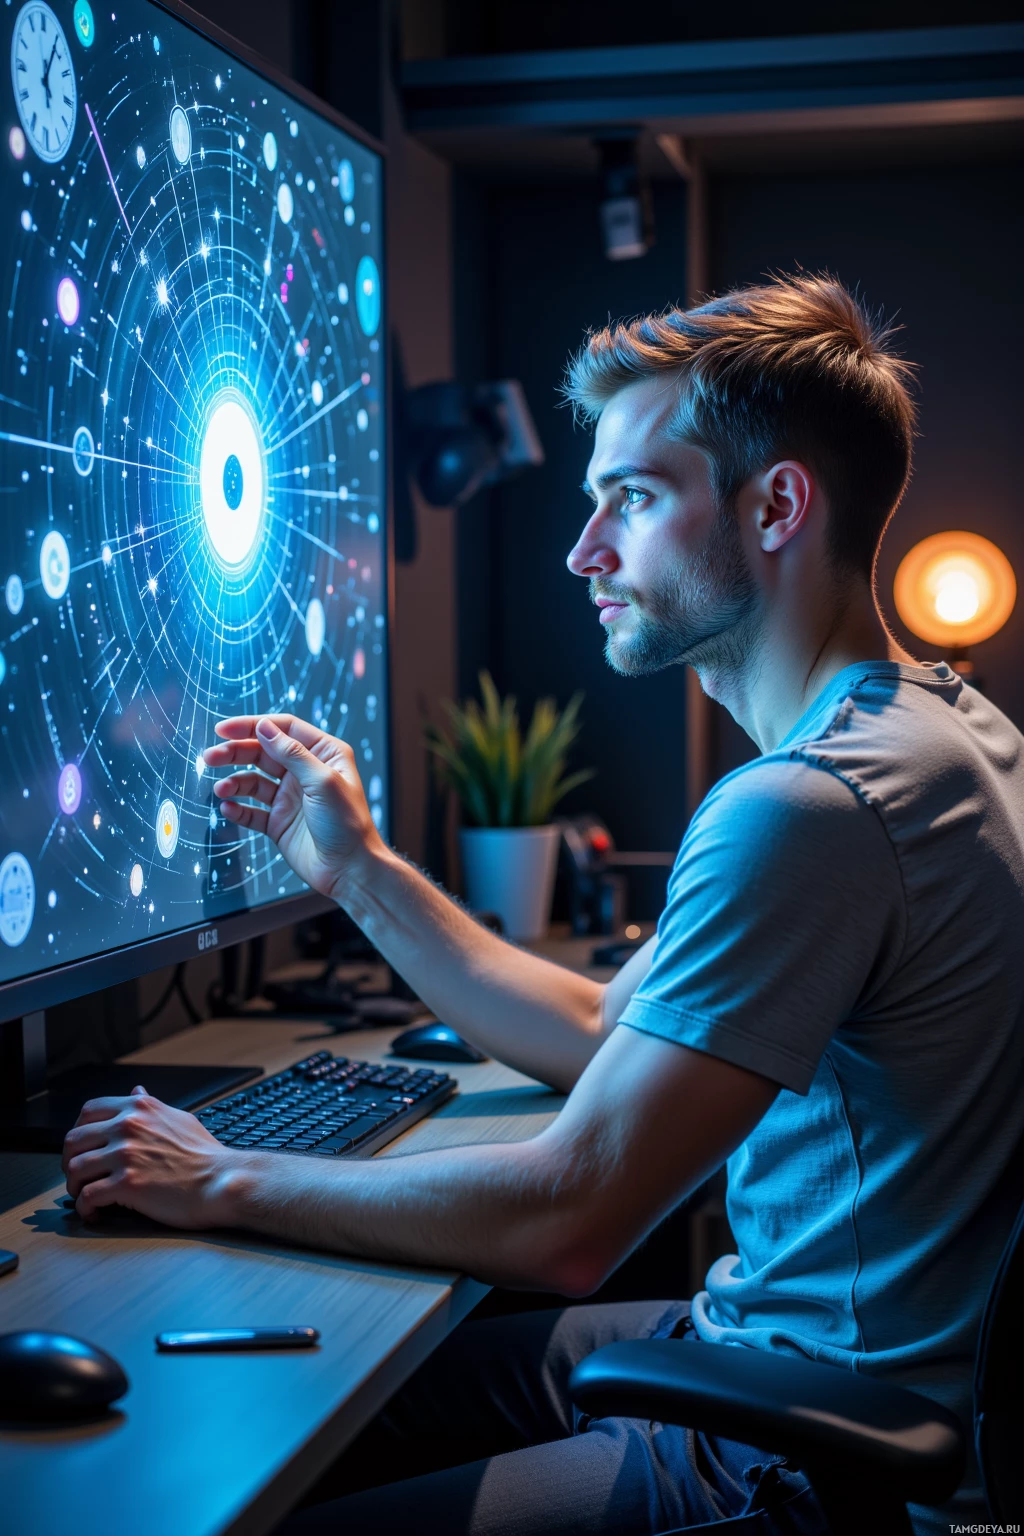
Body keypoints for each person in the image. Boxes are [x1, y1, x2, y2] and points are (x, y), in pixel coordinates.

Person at [62, 275, 1024, 1536]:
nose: (585, 551)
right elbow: (594, 1029)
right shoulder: (941, 732)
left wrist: (223, 1176)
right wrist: (356, 868)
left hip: (815, 1449)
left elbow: (570, 1217)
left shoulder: (810, 807)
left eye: (634, 498)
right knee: (315, 1400)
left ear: (777, 506)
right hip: (788, 1347)